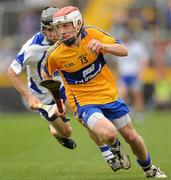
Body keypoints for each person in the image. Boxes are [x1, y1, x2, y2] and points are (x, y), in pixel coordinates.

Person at [44, 6, 167, 178]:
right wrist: (59, 102)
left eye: (66, 26)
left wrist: (103, 46)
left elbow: (124, 51)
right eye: (59, 27)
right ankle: (115, 148)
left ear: (78, 23)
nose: (61, 32)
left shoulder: (93, 34)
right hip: (84, 102)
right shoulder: (55, 54)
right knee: (109, 133)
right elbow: (47, 76)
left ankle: (149, 169)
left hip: (110, 96)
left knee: (131, 137)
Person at [7, 7, 76, 150]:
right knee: (67, 132)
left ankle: (108, 150)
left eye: (54, 29)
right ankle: (56, 132)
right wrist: (29, 97)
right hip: (43, 95)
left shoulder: (68, 37)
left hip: (64, 86)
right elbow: (12, 72)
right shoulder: (32, 48)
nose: (52, 34)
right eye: (47, 30)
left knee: (83, 112)